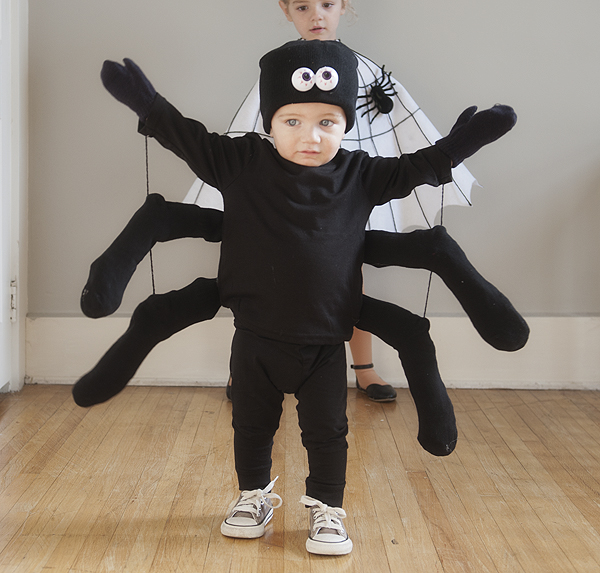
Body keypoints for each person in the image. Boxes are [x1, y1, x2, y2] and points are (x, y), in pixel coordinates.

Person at [85, 39, 518, 554]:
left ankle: (328, 509)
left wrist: (462, 143)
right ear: (268, 121)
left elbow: (416, 168)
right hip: (255, 338)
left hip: (324, 341)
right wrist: (148, 104)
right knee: (250, 423)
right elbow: (188, 138)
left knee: (328, 431)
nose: (310, 137)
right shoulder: (239, 161)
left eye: (326, 123)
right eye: (292, 121)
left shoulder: (360, 174)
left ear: (344, 125)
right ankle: (253, 496)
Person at [184, 0, 477, 402]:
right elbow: (254, 131)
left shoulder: (364, 72)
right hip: (280, 191)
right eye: (303, 6)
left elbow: (391, 126)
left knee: (344, 272)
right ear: (287, 11)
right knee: (259, 269)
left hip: (350, 183)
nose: (316, 15)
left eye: (326, 4)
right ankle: (244, 367)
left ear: (344, 7)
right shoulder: (279, 72)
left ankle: (364, 367)